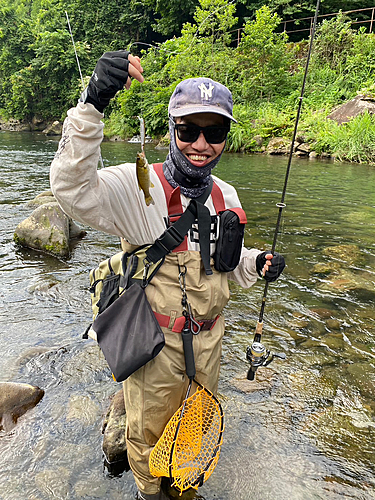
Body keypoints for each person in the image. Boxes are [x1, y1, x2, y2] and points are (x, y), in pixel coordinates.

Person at [50, 51, 285, 500]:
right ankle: (149, 494)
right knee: (147, 439)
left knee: (194, 434)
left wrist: (258, 263)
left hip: (211, 343)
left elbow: (227, 265)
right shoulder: (137, 184)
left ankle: (185, 490)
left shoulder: (226, 194)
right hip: (154, 347)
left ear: (225, 137)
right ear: (171, 132)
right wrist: (92, 103)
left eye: (213, 132)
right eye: (188, 130)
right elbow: (71, 189)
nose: (201, 144)